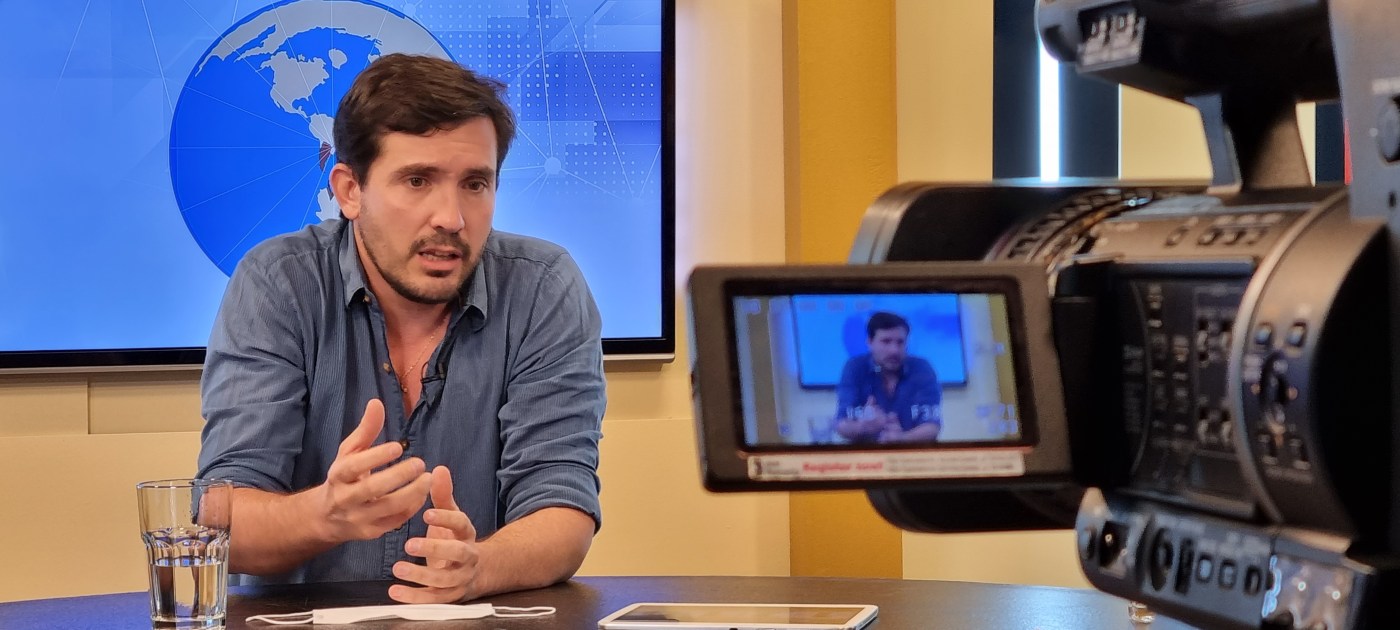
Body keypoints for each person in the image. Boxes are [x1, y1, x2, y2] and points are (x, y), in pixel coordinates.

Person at [195, 53, 606, 604]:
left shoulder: (543, 287)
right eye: (417, 180)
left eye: (475, 184)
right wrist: (324, 515)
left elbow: (562, 505)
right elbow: (223, 518)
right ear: (349, 190)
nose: (451, 218)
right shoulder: (278, 282)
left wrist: (479, 568)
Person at [833, 311, 941, 443]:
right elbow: (841, 424)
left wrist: (901, 439)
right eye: (886, 341)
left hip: (911, 452)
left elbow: (932, 426)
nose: (894, 350)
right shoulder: (855, 367)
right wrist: (863, 427)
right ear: (870, 342)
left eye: (900, 342)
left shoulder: (921, 368)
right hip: (868, 453)